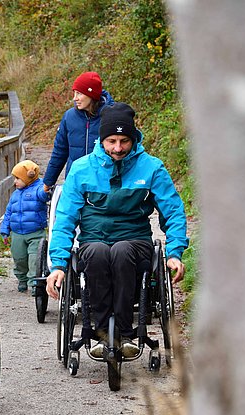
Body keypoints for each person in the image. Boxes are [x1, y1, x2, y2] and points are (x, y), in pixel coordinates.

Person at [45, 102, 188, 358]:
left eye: (124, 141)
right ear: (102, 140)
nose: (118, 148)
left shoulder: (152, 168)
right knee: (99, 253)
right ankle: (100, 333)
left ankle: (124, 332)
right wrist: (57, 264)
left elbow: (173, 211)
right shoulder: (81, 169)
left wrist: (175, 251)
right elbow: (65, 218)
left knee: (122, 251)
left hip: (135, 241)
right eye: (111, 141)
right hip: (93, 241)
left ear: (133, 139)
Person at [42, 71, 115, 193]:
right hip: (75, 182)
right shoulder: (69, 117)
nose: (75, 98)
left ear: (91, 94)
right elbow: (60, 152)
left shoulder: (112, 115)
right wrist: (48, 182)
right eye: (74, 93)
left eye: (79, 93)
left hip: (104, 185)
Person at [0, 160, 51, 292]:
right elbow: (8, 212)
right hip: (17, 233)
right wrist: (5, 230)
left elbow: (44, 195)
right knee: (19, 258)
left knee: (34, 259)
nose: (15, 182)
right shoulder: (15, 194)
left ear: (28, 177)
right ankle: (22, 279)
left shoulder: (38, 189)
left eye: (18, 178)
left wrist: (47, 190)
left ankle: (35, 283)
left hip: (35, 232)